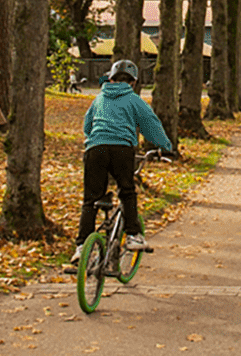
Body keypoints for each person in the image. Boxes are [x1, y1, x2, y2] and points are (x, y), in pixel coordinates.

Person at [74, 58, 175, 261]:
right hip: (121, 149)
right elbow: (150, 123)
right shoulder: (133, 99)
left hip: (95, 149)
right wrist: (166, 147)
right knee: (127, 191)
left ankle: (81, 246)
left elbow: (87, 125)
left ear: (111, 79)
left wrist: (94, 137)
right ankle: (133, 235)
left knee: (90, 199)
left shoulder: (99, 98)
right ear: (134, 82)